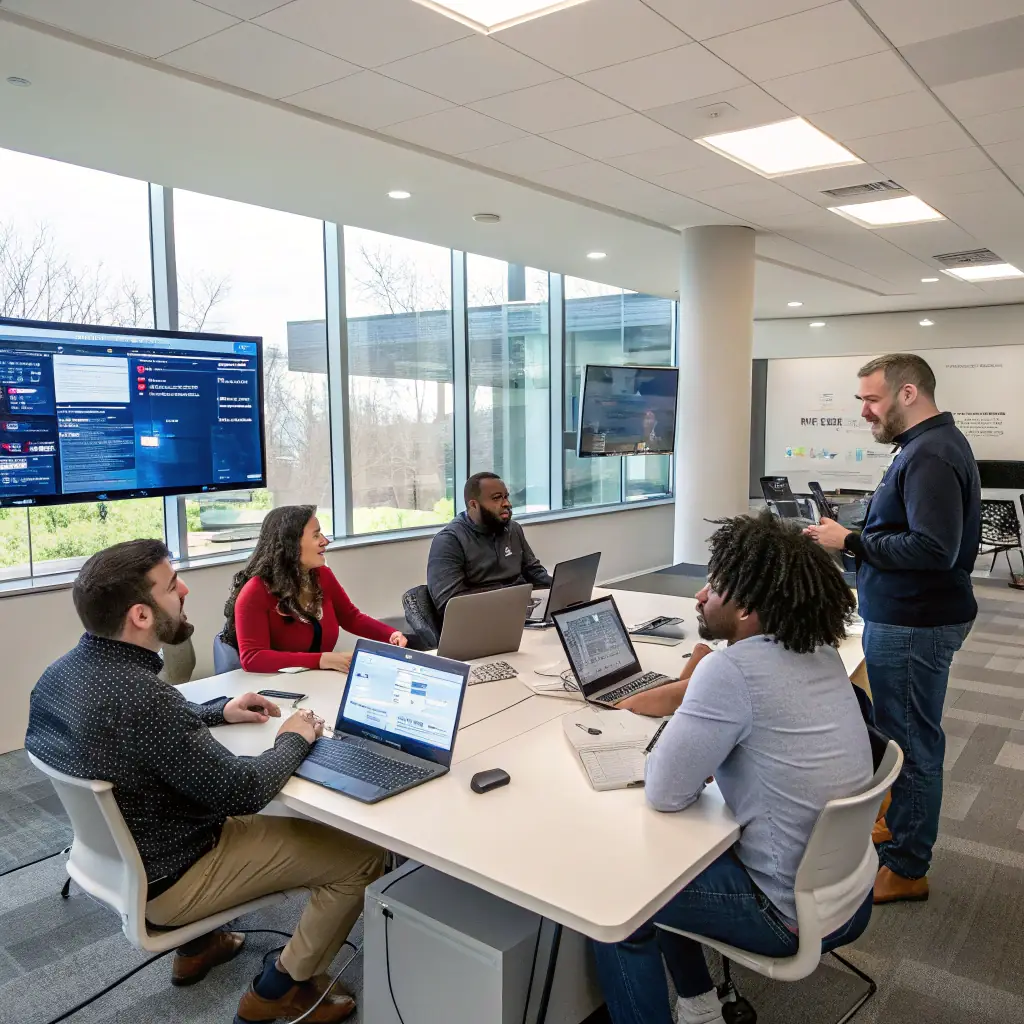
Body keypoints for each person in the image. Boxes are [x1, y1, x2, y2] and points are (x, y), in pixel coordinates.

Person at [25, 539, 385, 1023]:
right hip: (176, 872)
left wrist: (219, 711)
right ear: (141, 615)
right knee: (363, 856)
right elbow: (245, 791)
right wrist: (295, 738)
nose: (185, 589)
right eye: (172, 586)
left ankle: (200, 947)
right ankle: (280, 989)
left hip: (120, 855)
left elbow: (143, 728)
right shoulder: (142, 699)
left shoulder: (60, 675)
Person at [592, 513, 875, 1024]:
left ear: (746, 610)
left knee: (616, 900)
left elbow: (664, 790)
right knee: (674, 858)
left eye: (715, 587)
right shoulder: (818, 651)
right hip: (851, 893)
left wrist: (685, 750)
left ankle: (692, 1003)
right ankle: (699, 1008)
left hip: (786, 916)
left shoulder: (731, 670)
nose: (700, 595)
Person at [806, 353, 980, 905]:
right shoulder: (923, 446)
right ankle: (902, 826)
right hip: (911, 616)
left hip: (916, 621)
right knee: (902, 732)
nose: (863, 411)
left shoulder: (930, 454)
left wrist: (850, 542)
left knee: (910, 743)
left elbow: (934, 549)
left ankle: (907, 866)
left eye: (872, 399)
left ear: (908, 394)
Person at [223, 504, 406, 673]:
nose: (325, 541)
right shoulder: (255, 591)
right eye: (316, 535)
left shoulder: (322, 575)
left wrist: (390, 633)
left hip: (317, 680)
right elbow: (253, 658)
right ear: (291, 544)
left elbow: (351, 617)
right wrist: (323, 660)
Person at [427, 472, 552, 615]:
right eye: (497, 498)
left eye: (506, 496)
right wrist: (507, 599)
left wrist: (560, 587)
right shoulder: (449, 540)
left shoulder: (513, 529)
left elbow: (534, 572)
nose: (507, 504)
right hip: (479, 619)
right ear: (473, 504)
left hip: (518, 612)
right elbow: (449, 603)